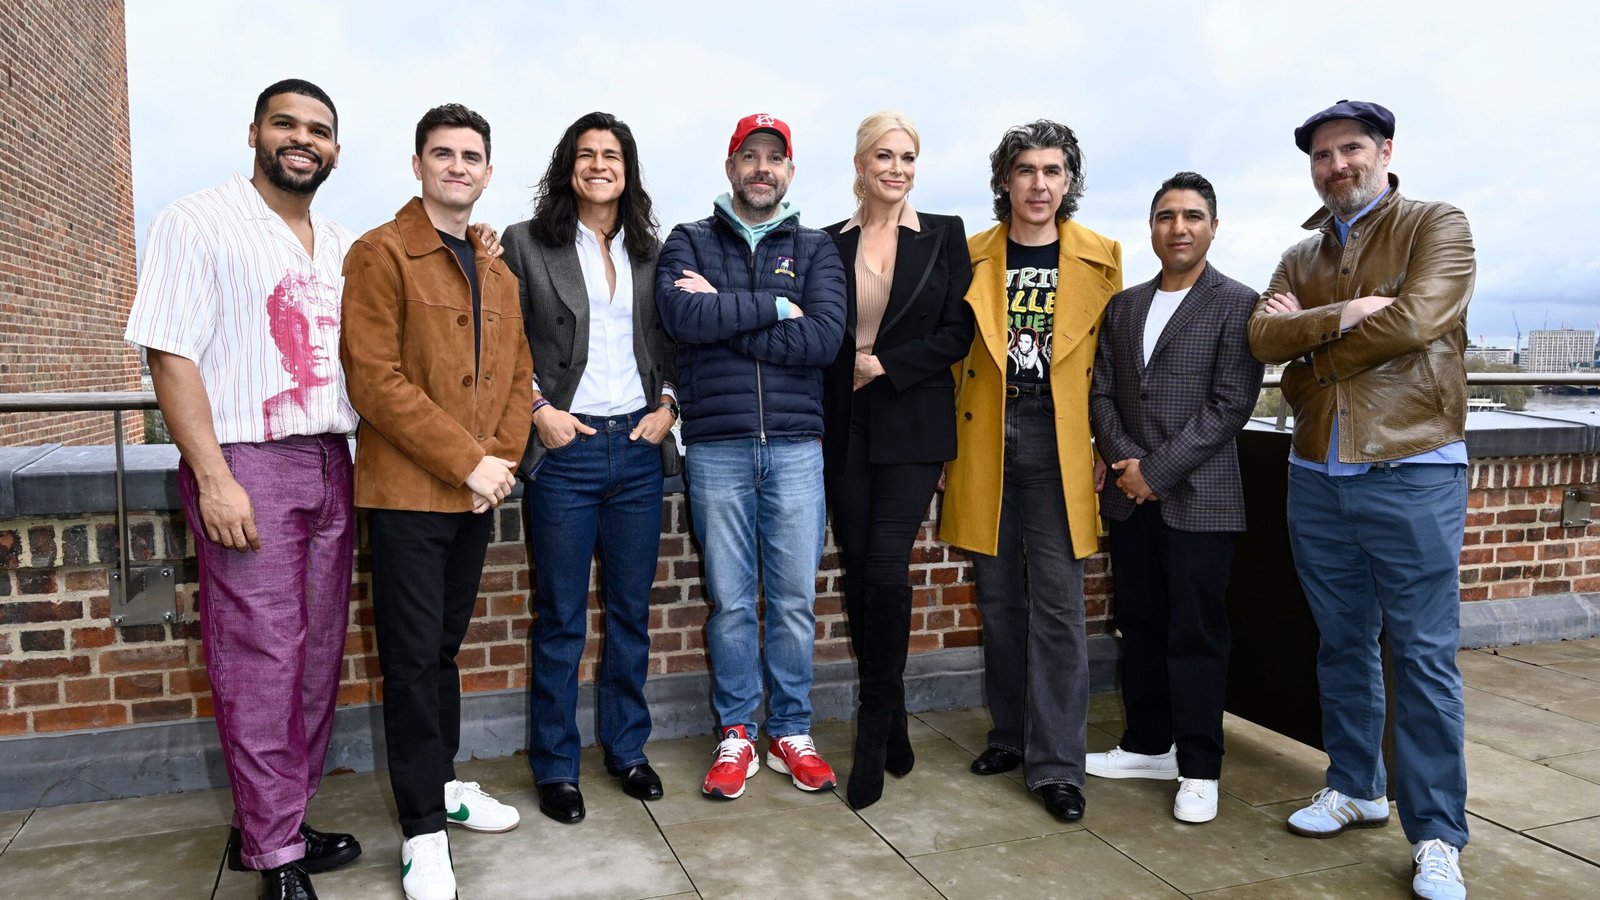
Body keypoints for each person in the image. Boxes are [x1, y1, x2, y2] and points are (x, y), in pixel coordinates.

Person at [124, 78, 363, 900]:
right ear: (255, 131)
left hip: (334, 459)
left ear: (335, 149)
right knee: (261, 660)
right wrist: (216, 477)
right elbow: (169, 353)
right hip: (248, 463)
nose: (303, 140)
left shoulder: (336, 242)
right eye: (287, 125)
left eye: (320, 131)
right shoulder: (197, 221)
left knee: (315, 660)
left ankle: (279, 823)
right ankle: (275, 857)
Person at [1249, 100, 1475, 900]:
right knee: (1341, 642)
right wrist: (1340, 316)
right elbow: (1260, 340)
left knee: (1420, 657)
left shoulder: (1435, 225)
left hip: (1413, 468)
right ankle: (1354, 786)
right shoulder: (1298, 254)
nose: (1336, 164)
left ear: (1384, 150)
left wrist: (1309, 346)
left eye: (1351, 149)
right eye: (1322, 154)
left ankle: (1439, 834)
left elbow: (1418, 320)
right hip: (1317, 472)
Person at [340, 103, 533, 900]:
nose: (458, 166)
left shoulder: (496, 269)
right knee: (413, 662)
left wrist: (503, 460)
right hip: (409, 495)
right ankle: (422, 828)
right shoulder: (379, 253)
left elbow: (520, 377)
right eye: (443, 154)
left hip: (473, 497)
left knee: (444, 651)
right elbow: (374, 378)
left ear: (487, 172)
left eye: (471, 156)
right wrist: (468, 462)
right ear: (418, 165)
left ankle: (443, 783)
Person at [654, 113, 847, 800]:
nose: (762, 168)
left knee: (793, 602)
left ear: (789, 171)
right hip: (717, 449)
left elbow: (824, 340)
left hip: (796, 448)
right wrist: (775, 307)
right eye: (750, 156)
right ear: (730, 166)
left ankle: (791, 729)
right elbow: (683, 321)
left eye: (775, 158)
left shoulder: (818, 247)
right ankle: (736, 732)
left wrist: (729, 315)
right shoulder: (688, 241)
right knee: (731, 604)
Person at [941, 119, 1123, 823]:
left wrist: (1107, 445)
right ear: (1005, 180)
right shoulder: (970, 254)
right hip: (985, 435)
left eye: (1052, 170)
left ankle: (1058, 767)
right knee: (998, 600)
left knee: (1057, 607)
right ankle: (1011, 735)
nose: (1039, 184)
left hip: (1061, 440)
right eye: (1026, 170)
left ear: (1069, 181)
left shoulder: (1102, 256)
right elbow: (952, 354)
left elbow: (1113, 368)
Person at [502, 112, 677, 824]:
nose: (599, 164)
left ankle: (627, 750)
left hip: (637, 450)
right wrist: (538, 407)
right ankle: (556, 766)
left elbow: (672, 343)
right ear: (567, 166)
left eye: (612, 155)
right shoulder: (526, 243)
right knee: (561, 619)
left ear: (628, 169)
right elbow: (503, 343)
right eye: (587, 154)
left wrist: (669, 404)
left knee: (630, 614)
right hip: (566, 452)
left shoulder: (651, 250)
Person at [1085, 172, 1264, 824]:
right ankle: (1146, 744)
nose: (1178, 227)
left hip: (1201, 500)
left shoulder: (1237, 304)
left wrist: (1153, 471)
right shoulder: (1125, 306)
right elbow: (1100, 392)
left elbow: (1228, 409)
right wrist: (1123, 461)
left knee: (1197, 634)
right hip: (1132, 502)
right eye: (1165, 216)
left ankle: (1199, 767)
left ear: (1212, 226)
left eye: (1192, 216)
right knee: (1142, 625)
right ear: (1152, 227)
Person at [819, 111, 974, 809]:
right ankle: (899, 713)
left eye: (907, 157)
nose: (897, 168)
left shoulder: (944, 234)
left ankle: (873, 727)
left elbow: (957, 331)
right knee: (859, 574)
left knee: (885, 564)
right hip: (845, 427)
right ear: (860, 164)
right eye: (883, 155)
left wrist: (884, 365)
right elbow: (812, 326)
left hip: (912, 423)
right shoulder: (827, 242)